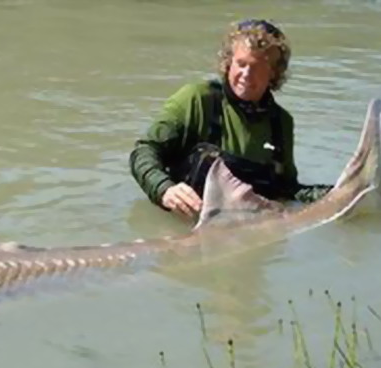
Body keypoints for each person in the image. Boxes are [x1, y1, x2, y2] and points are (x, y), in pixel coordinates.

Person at [129, 19, 331, 219]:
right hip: (186, 227)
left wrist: (333, 195)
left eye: (257, 67)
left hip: (248, 231)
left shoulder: (281, 123)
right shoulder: (197, 99)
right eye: (241, 64)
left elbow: (287, 191)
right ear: (228, 62)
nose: (246, 75)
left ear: (274, 74)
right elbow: (144, 151)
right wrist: (164, 190)